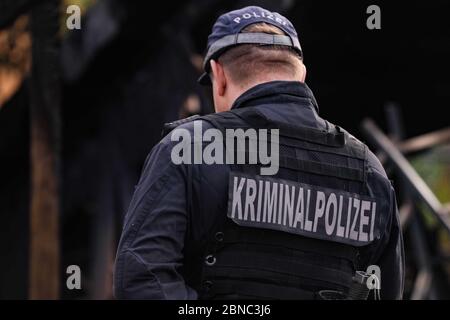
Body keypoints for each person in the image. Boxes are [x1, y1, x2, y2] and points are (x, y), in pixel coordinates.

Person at [113, 5, 404, 300]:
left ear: (219, 75)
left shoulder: (189, 148)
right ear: (300, 74)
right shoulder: (368, 169)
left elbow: (142, 276)